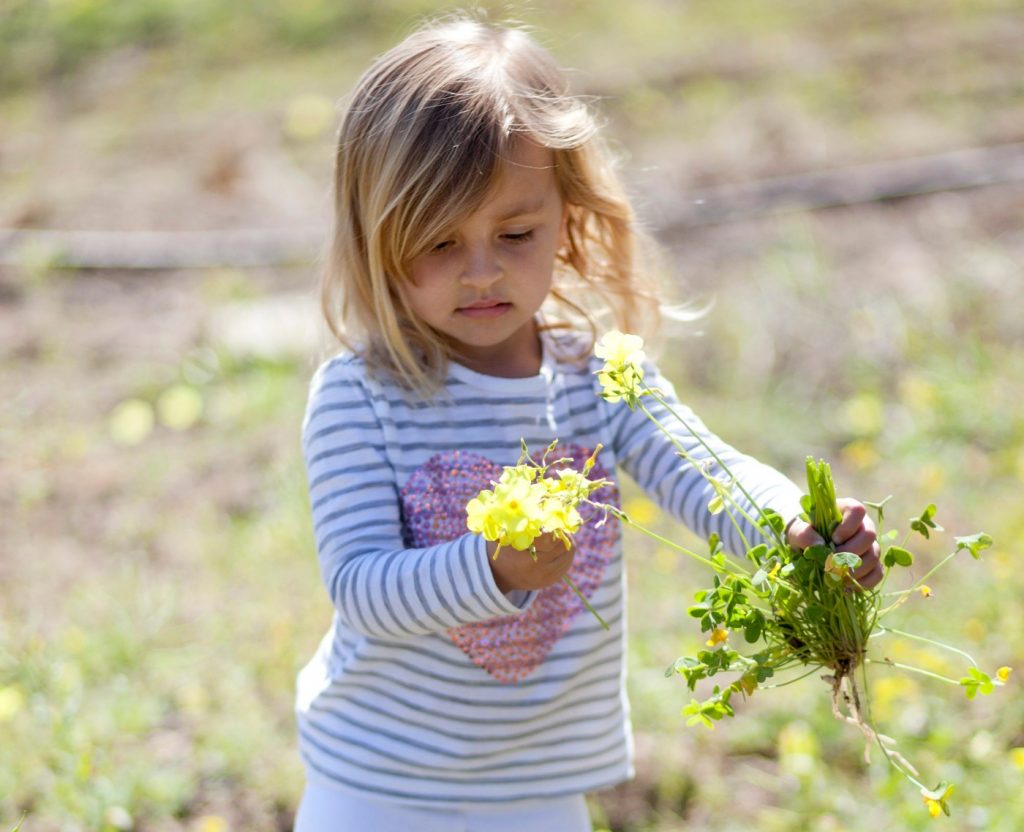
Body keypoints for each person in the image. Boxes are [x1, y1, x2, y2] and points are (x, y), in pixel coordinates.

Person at [293, 14, 881, 832]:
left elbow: (705, 472)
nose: (483, 270)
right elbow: (360, 589)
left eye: (516, 232)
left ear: (567, 211)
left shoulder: (598, 375)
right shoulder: (362, 396)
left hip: (543, 785)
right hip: (379, 786)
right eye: (438, 243)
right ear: (374, 242)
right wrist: (491, 570)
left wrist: (790, 526)